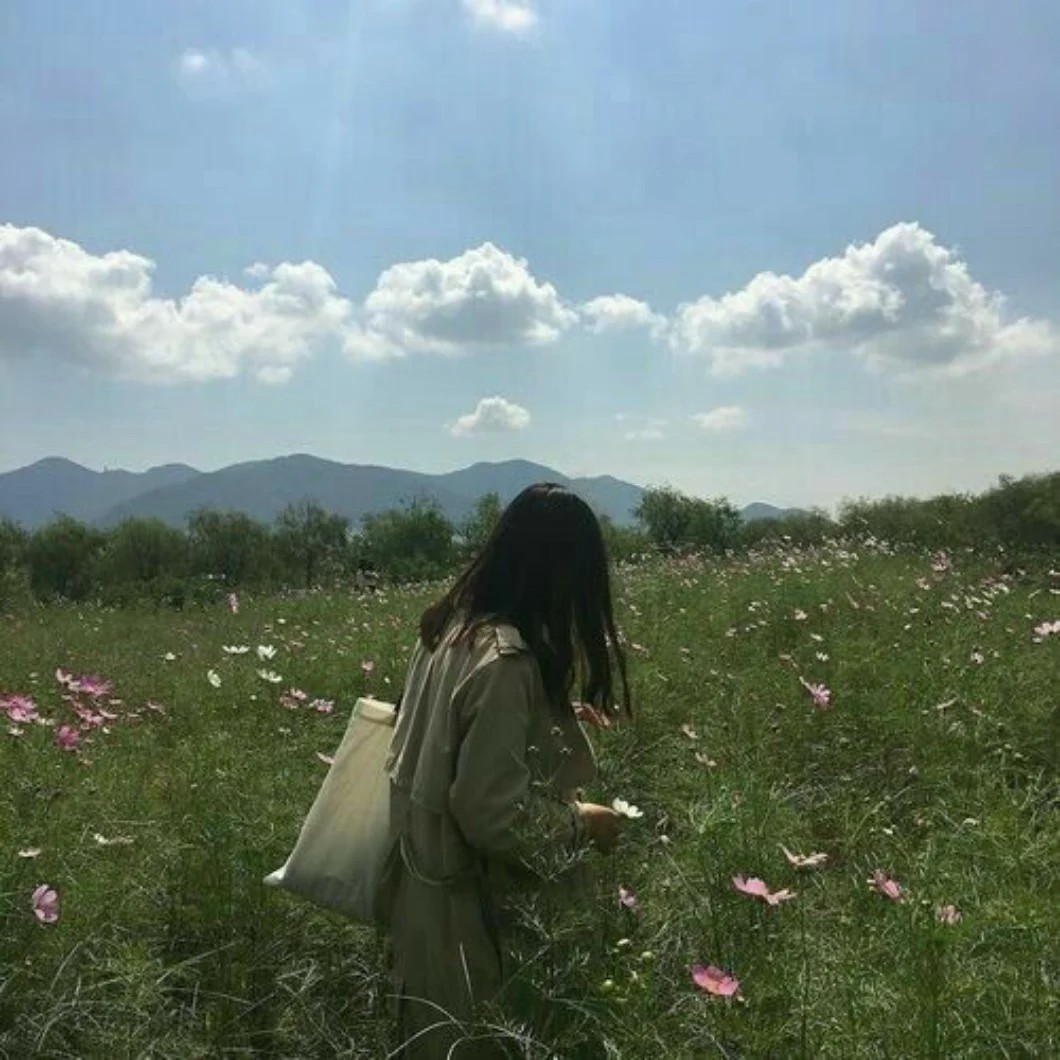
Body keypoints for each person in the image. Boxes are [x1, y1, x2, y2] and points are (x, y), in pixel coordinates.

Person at [377, 482, 633, 1058]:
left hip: (422, 898)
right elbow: (492, 815)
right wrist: (583, 823)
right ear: (559, 576)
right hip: (472, 917)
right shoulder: (505, 662)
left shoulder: (449, 631)